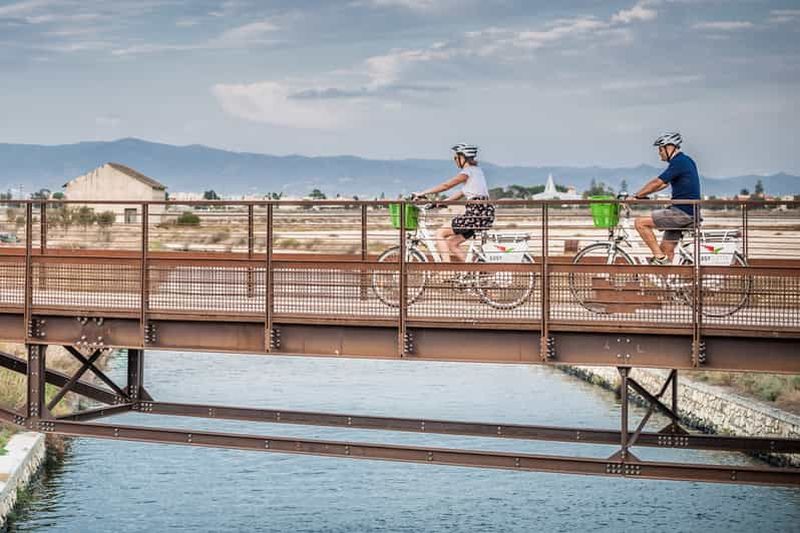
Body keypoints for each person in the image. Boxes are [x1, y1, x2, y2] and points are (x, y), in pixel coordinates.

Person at [413, 143, 495, 262]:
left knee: (440, 233)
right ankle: (471, 271)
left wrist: (422, 193)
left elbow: (446, 186)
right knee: (452, 243)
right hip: (483, 214)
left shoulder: (467, 172)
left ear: (463, 157)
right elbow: (458, 195)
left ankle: (445, 271)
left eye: (456, 157)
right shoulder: (477, 171)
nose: (455, 160)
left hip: (475, 214)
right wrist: (437, 203)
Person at [631, 132, 700, 265]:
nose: (659, 153)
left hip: (682, 213)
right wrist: (643, 195)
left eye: (660, 149)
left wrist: (636, 196)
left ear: (670, 147)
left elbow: (657, 182)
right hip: (688, 211)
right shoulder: (684, 161)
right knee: (665, 251)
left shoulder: (679, 162)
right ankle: (668, 283)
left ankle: (659, 258)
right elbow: (664, 184)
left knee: (640, 223)